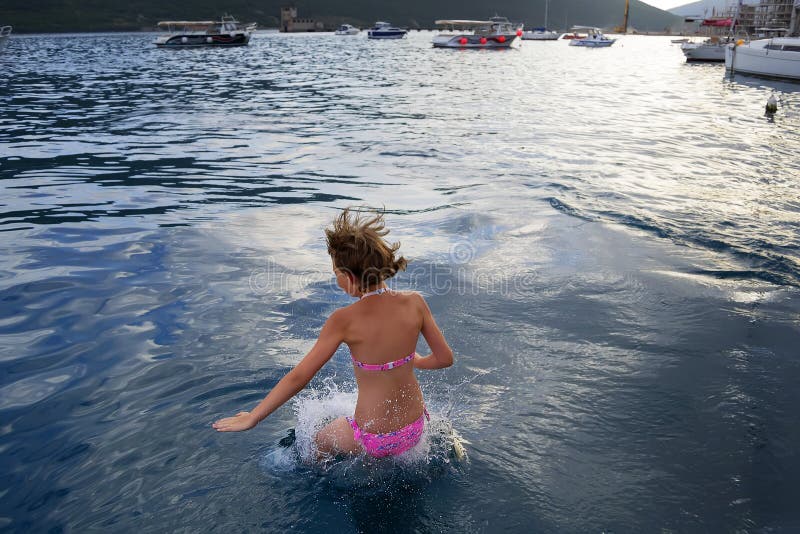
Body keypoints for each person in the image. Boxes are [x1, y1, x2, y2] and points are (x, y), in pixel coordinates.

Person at [213, 209, 454, 459]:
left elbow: (299, 377)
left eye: (336, 274)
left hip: (371, 439)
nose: (337, 280)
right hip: (414, 429)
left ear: (349, 277)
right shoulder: (415, 302)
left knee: (314, 445)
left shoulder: (343, 320)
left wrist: (253, 417)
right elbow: (445, 359)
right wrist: (412, 359)